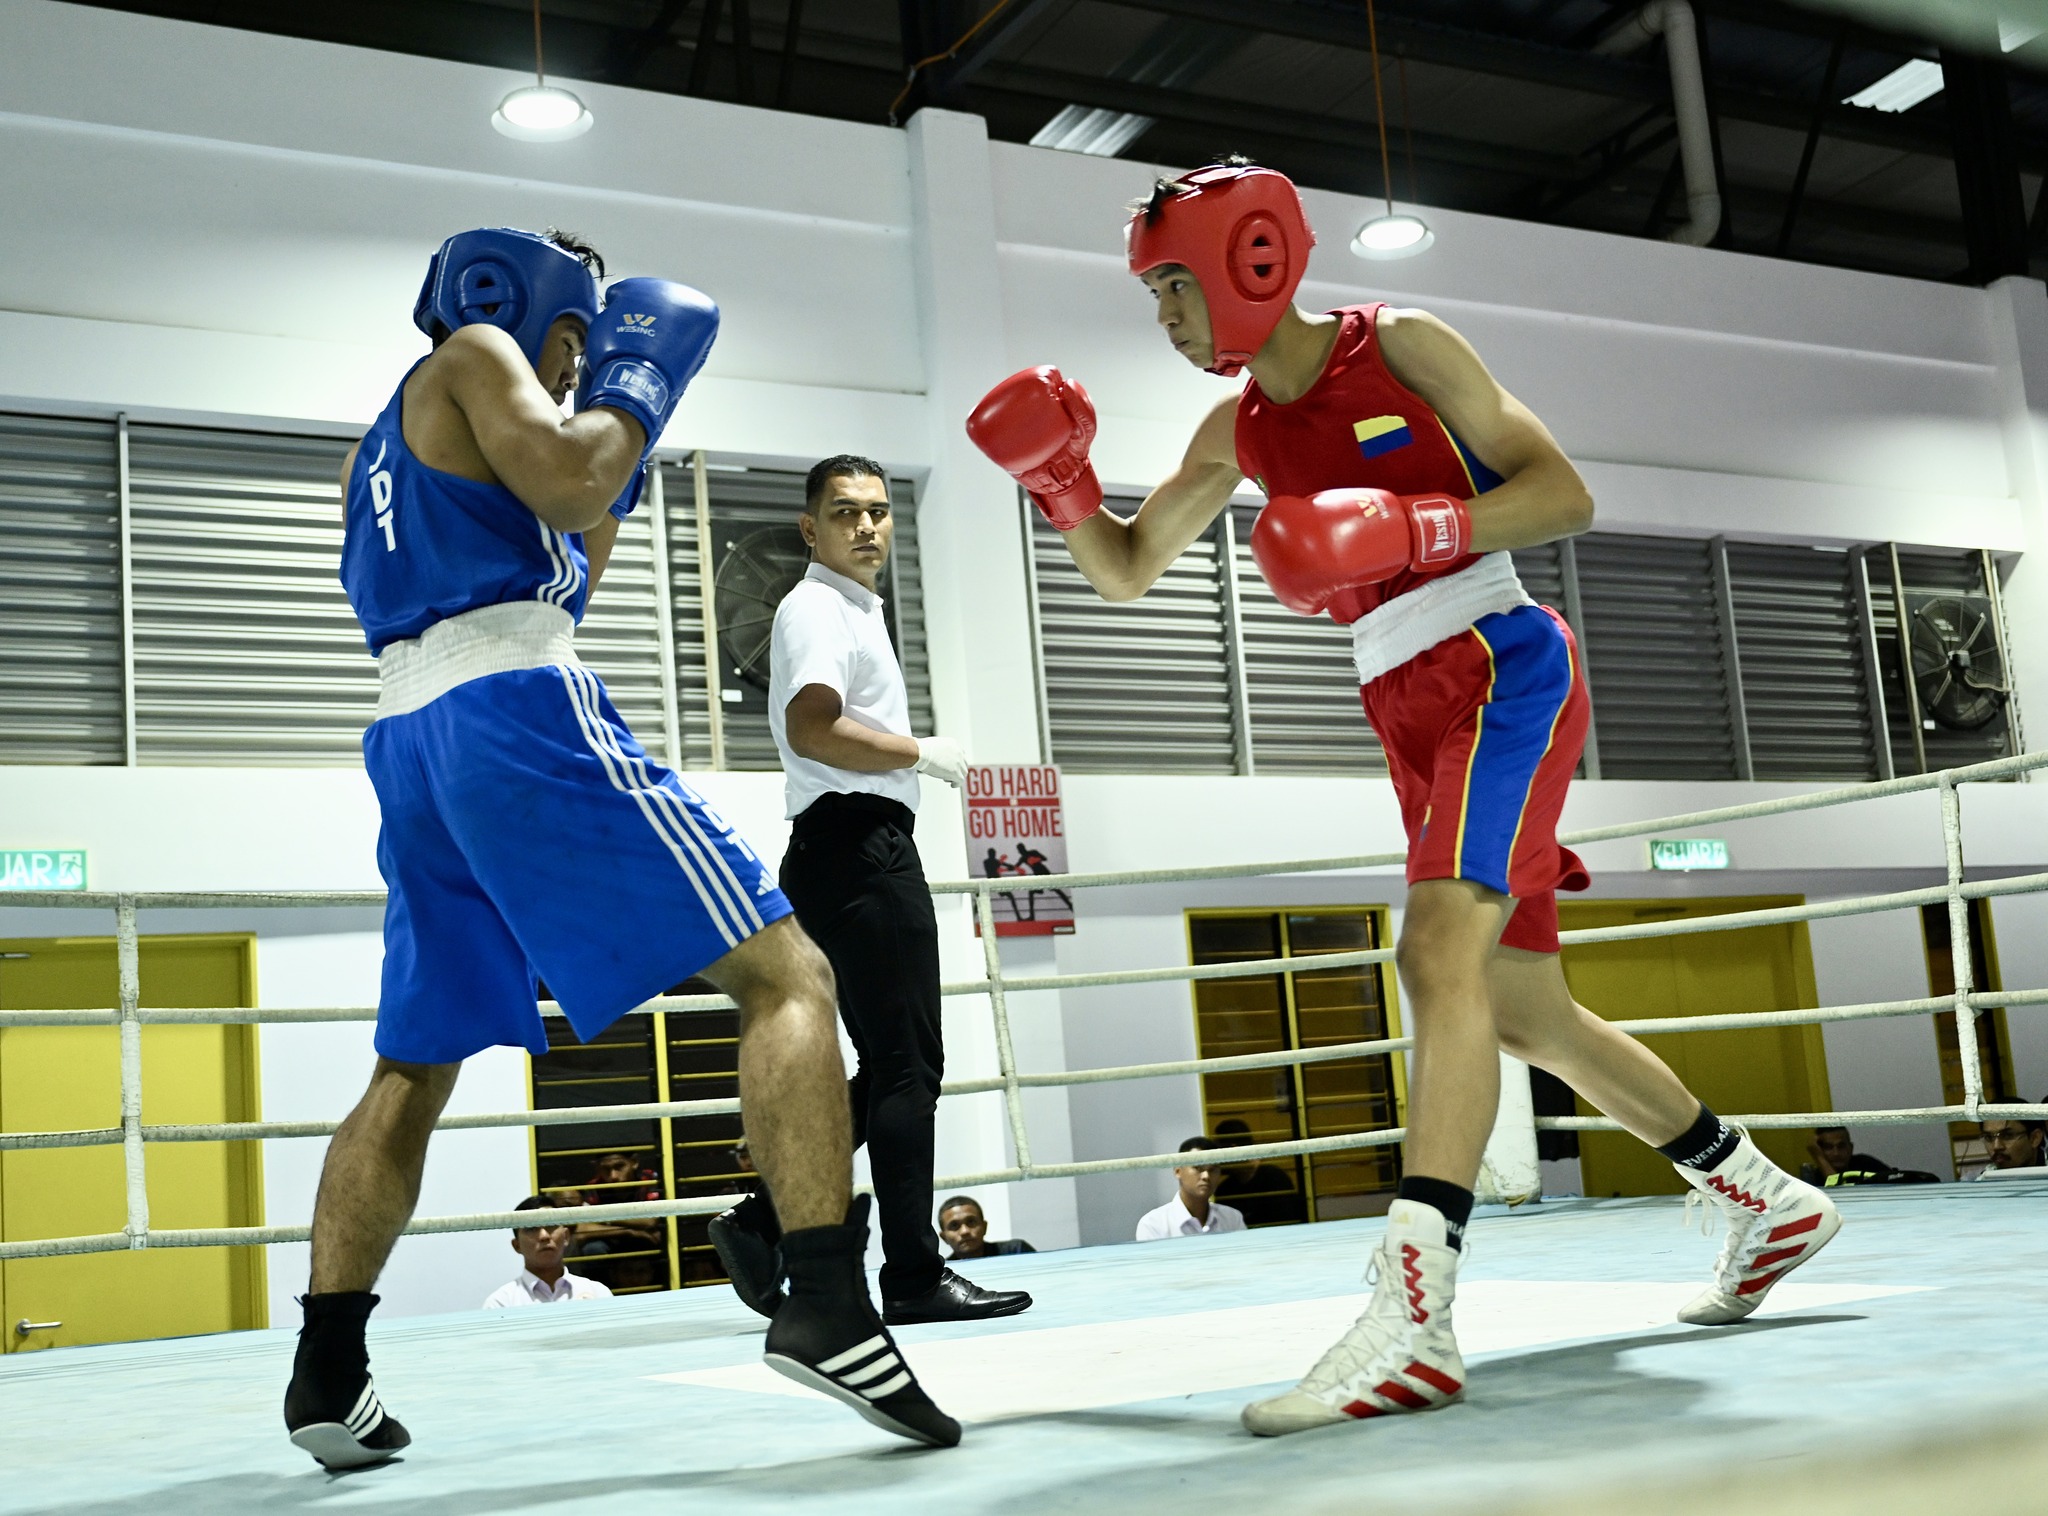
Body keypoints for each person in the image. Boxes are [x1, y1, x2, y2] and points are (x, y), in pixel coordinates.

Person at [967, 161, 1841, 1435]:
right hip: (1400, 697)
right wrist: (1057, 483)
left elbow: (1562, 493)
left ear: (1250, 262)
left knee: (1433, 950)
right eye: (1150, 288)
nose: (1161, 313)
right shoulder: (1234, 433)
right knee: (1525, 1007)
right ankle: (1763, 1193)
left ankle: (1414, 1315)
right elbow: (1124, 567)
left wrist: (1410, 527)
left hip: (1496, 657)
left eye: (1171, 283)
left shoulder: (1405, 347)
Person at [283, 228, 957, 1470]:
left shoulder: (375, 445)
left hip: (407, 733)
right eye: (579, 331)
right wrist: (635, 394)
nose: (583, 351)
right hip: (510, 705)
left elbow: (568, 548)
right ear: (522, 305)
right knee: (788, 975)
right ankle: (823, 1296)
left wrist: (609, 447)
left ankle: (329, 1366)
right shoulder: (483, 352)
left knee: (413, 1061)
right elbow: (572, 487)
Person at [709, 455, 1032, 1329]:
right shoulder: (815, 607)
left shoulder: (850, 608)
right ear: (811, 529)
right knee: (905, 1067)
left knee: (897, 1064)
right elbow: (811, 728)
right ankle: (914, 1276)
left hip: (840, 848)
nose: (867, 526)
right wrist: (918, 749)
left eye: (880, 512)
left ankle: (765, 1220)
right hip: (857, 843)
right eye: (845, 513)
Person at [483, 1196, 614, 1308]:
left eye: (551, 1225)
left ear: (566, 1237)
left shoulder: (599, 1294)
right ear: (517, 1246)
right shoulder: (501, 1304)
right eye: (531, 1228)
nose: (544, 1236)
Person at [1135, 1137, 1247, 1241]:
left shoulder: (1232, 1219)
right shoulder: (1153, 1224)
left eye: (1212, 1169)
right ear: (1178, 1171)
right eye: (1198, 1168)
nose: (1206, 1176)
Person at [1211, 1118, 1305, 1226]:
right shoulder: (1225, 1190)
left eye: (1219, 1150)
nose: (1217, 1159)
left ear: (1233, 1149)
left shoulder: (1275, 1179)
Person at [937, 1195, 1038, 1260]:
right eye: (954, 1226)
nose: (965, 1231)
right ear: (944, 1237)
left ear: (984, 1227)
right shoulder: (944, 1272)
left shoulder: (1016, 1252)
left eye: (971, 1222)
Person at [1976, 1114, 2046, 1174]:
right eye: (1989, 1137)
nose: (1996, 1146)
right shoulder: (1984, 1179)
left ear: (2034, 1138)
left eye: (2007, 1136)